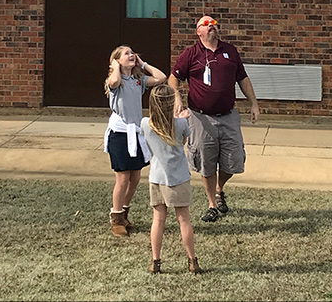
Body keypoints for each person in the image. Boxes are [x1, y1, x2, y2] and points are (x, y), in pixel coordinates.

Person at [168, 15, 259, 223]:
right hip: (200, 118)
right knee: (205, 162)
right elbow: (173, 78)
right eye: (206, 25)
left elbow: (243, 78)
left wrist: (254, 103)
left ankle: (219, 188)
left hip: (228, 116)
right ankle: (212, 204)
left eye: (214, 24)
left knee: (234, 161)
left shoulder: (230, 51)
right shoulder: (190, 54)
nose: (212, 27)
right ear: (198, 31)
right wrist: (177, 99)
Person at [104, 45, 166, 237]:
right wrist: (115, 66)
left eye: (133, 53)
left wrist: (143, 64)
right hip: (120, 135)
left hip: (136, 133)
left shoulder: (138, 80)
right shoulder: (115, 81)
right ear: (117, 60)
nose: (131, 55)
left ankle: (124, 211)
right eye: (126, 54)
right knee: (122, 179)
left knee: (135, 177)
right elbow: (114, 80)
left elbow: (162, 78)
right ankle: (116, 218)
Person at [140, 84, 201, 275]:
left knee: (158, 220)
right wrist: (180, 118)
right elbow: (182, 142)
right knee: (184, 220)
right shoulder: (181, 124)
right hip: (179, 177)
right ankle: (192, 261)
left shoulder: (145, 124)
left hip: (157, 177)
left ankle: (155, 261)